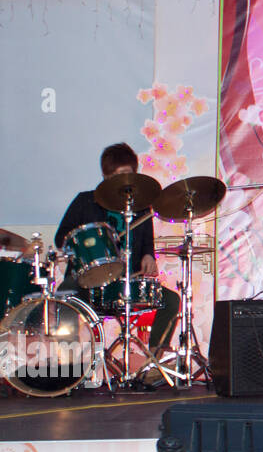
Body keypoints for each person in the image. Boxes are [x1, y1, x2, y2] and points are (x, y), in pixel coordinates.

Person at [55, 143, 179, 359]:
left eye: (128, 174)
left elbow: (146, 244)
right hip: (89, 279)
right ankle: (69, 364)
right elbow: (61, 238)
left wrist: (149, 255)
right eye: (117, 175)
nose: (123, 181)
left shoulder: (141, 207)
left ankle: (154, 361)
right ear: (105, 176)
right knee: (65, 296)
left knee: (171, 300)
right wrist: (83, 245)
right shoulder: (85, 201)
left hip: (127, 282)